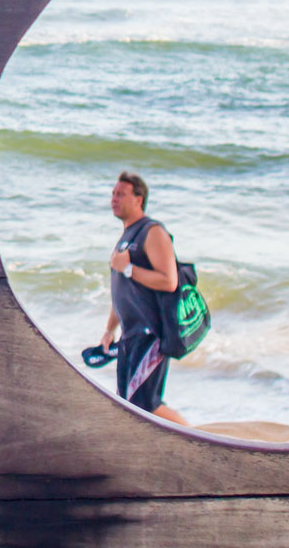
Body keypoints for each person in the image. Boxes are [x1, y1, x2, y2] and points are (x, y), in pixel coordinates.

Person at [97, 170, 189, 425]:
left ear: (138, 199)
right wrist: (109, 330)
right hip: (130, 335)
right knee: (128, 403)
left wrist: (128, 268)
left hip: (151, 334)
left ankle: (198, 439)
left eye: (121, 194)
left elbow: (169, 281)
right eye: (113, 193)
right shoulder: (125, 238)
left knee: (147, 405)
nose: (114, 198)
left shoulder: (152, 231)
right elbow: (121, 292)